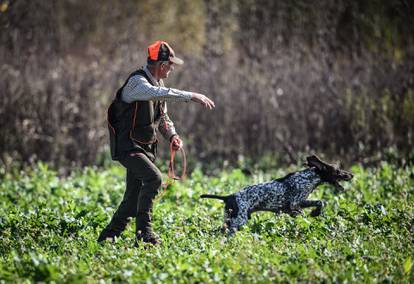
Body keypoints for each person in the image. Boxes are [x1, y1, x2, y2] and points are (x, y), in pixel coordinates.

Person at [98, 40, 215, 245]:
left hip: (142, 148)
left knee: (132, 199)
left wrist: (172, 135)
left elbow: (162, 118)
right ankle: (145, 234)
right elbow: (157, 94)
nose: (171, 69)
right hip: (128, 147)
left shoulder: (157, 85)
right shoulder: (138, 83)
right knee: (154, 179)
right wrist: (192, 96)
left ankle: (108, 237)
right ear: (161, 65)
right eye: (170, 65)